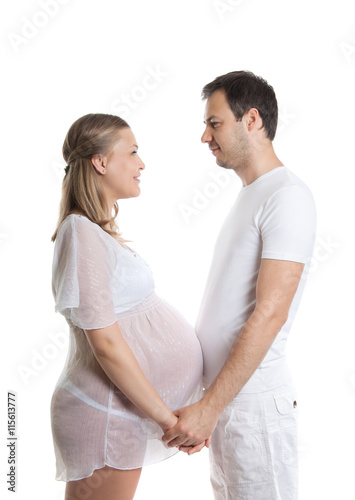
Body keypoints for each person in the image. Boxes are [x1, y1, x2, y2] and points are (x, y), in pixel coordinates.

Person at [162, 71, 317, 499]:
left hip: (253, 408)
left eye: (214, 124)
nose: (205, 137)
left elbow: (271, 313)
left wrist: (210, 408)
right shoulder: (252, 194)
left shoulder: (287, 196)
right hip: (229, 405)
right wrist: (210, 403)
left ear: (251, 120)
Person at [50, 113, 207, 500]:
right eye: (133, 152)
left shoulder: (93, 232)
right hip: (104, 416)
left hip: (118, 414)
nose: (141, 164)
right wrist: (168, 421)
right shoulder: (80, 232)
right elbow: (105, 342)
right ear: (101, 162)